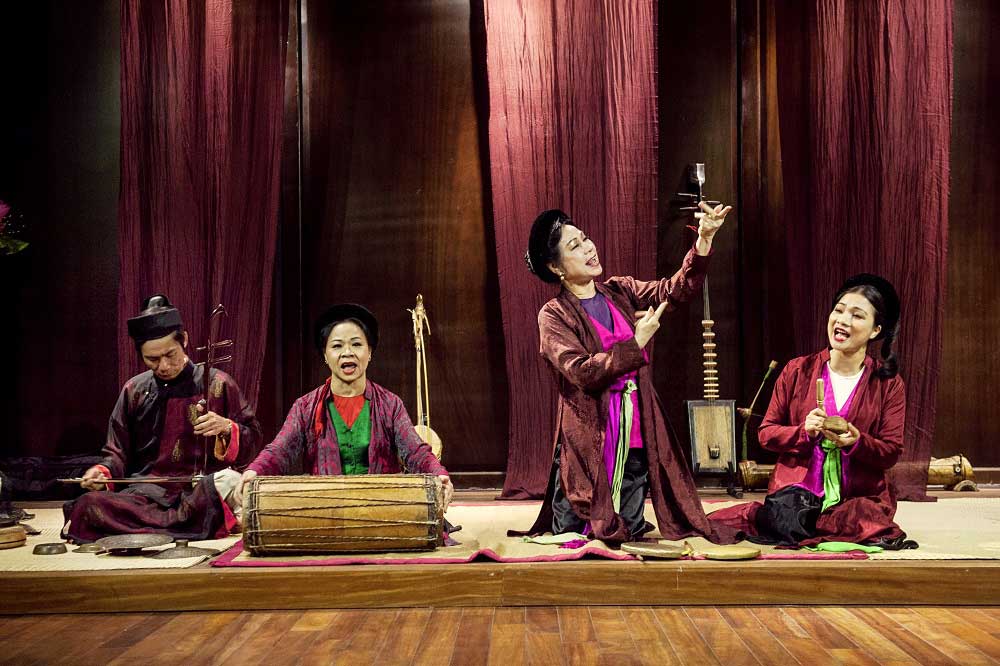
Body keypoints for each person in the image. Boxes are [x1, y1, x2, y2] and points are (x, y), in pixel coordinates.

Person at [517, 201, 738, 544]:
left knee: (626, 533)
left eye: (585, 238)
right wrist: (636, 342)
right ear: (555, 267)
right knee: (571, 536)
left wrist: (704, 240)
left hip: (633, 433)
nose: (589, 247)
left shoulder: (619, 291)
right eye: (575, 246)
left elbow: (675, 290)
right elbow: (583, 373)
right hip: (590, 439)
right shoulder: (555, 315)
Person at [709, 274, 915, 549]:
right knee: (789, 516)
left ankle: (820, 524)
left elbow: (890, 452)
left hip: (857, 496)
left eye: (856, 315)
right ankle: (801, 521)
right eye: (838, 310)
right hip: (800, 492)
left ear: (876, 330)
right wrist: (803, 432)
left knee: (867, 519)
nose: (842, 321)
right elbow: (766, 434)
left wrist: (856, 441)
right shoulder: (797, 370)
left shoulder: (888, 383)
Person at [62, 295, 263, 543]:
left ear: (185, 340)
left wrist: (226, 429)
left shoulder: (217, 382)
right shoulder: (134, 390)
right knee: (88, 504)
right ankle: (186, 524)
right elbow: (117, 453)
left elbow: (253, 439)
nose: (164, 366)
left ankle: (166, 525)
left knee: (231, 483)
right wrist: (101, 473)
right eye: (152, 359)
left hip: (201, 489)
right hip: (146, 494)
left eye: (170, 354)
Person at [235, 304, 452, 510]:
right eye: (337, 346)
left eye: (356, 344)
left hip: (382, 509)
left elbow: (414, 451)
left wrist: (438, 473)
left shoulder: (390, 404)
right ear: (325, 356)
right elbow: (280, 451)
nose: (347, 352)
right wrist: (254, 471)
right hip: (326, 510)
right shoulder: (305, 407)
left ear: (370, 353)